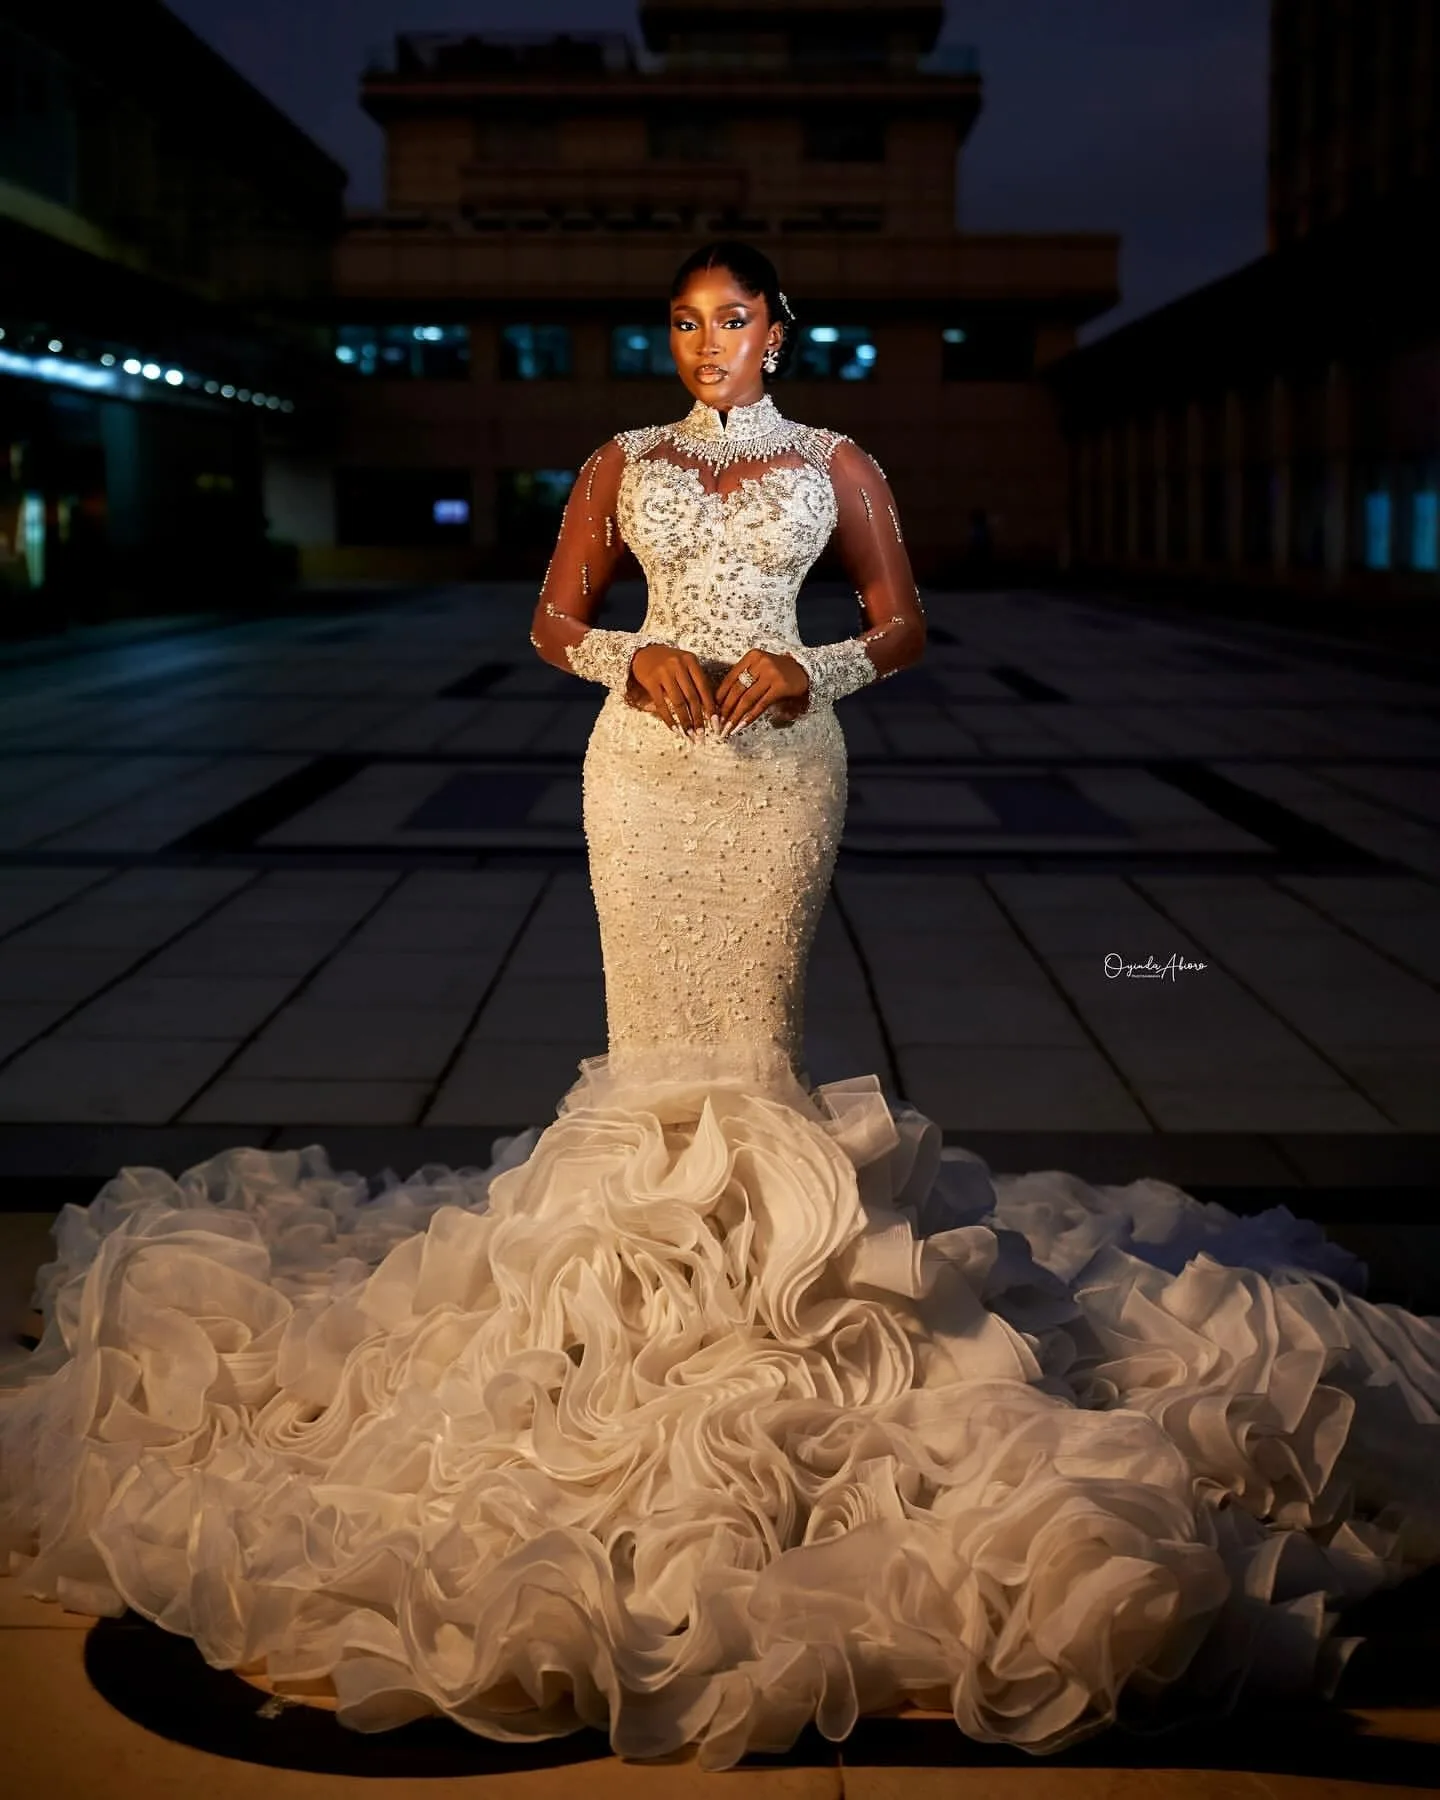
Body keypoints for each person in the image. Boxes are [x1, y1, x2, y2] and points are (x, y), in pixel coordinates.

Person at [1, 242, 1437, 1775]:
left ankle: (772, 1327)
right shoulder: (618, 459)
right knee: (646, 1051)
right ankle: (619, 1345)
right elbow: (552, 623)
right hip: (640, 775)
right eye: (683, 324)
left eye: (731, 319)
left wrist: (808, 667)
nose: (706, 344)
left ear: (778, 329)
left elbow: (903, 623)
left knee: (753, 1047)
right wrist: (643, 652)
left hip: (781, 778)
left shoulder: (843, 460)